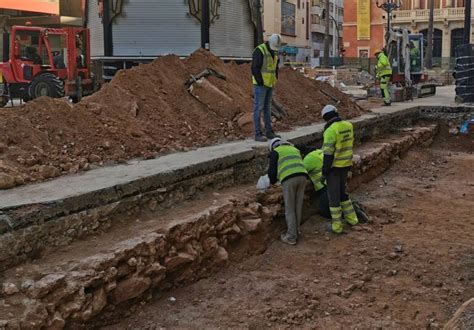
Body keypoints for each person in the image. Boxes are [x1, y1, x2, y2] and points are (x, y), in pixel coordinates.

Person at [303, 147, 369, 223]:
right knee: (343, 201)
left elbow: (301, 171)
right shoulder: (322, 153)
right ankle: (358, 211)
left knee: (324, 209)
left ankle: (353, 216)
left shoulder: (308, 158)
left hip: (326, 187)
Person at [321, 105, 359, 234]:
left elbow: (328, 153)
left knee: (333, 198)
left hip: (334, 168)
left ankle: (336, 226)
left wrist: (325, 171)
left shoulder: (330, 131)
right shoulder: (348, 125)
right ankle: (352, 219)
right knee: (343, 194)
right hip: (346, 165)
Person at [268, 137, 308, 245]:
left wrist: (272, 182)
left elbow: (272, 172)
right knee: (298, 206)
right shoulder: (294, 149)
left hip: (289, 179)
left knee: (290, 208)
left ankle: (291, 236)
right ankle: (297, 230)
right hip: (303, 176)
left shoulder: (276, 151)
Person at [251, 34, 283, 142]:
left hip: (269, 83)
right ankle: (258, 133)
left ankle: (269, 132)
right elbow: (255, 67)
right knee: (258, 108)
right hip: (261, 85)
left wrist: (275, 78)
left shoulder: (275, 51)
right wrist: (260, 81)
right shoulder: (260, 50)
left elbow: (275, 67)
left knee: (267, 108)